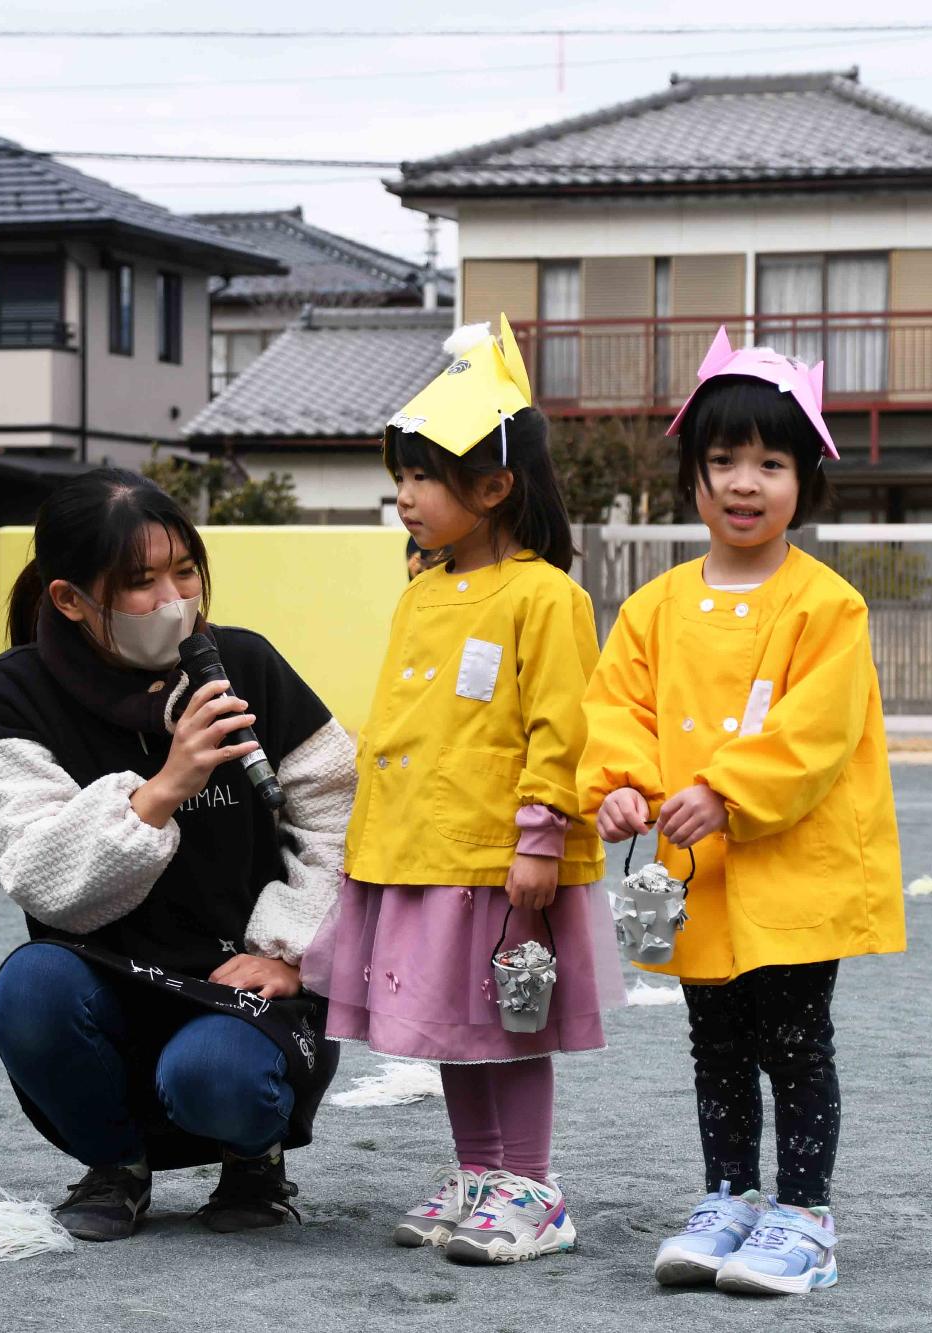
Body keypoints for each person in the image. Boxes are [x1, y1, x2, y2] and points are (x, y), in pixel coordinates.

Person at [577, 329, 905, 1297]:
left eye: (769, 460)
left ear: (805, 477)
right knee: (713, 1036)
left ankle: (803, 1214)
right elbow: (616, 707)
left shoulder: (826, 606)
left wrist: (723, 790)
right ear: (691, 475)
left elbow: (813, 734)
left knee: (794, 1037)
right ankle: (727, 1196)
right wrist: (624, 784)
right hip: (696, 872)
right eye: (721, 460)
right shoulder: (653, 606)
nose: (743, 481)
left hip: (792, 864)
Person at [301, 317, 618, 1266]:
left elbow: (561, 727)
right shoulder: (422, 591)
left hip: (496, 855)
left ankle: (532, 1186)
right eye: (400, 477)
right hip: (419, 850)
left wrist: (539, 836)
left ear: (493, 486)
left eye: (424, 477)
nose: (405, 497)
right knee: (453, 1023)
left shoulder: (545, 596)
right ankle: (481, 1173)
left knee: (511, 1023)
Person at [0, 468, 354, 1242]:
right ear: (71, 599)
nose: (175, 599)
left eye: (185, 571)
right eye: (140, 582)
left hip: (236, 979)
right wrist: (166, 785)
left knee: (215, 1074)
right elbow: (38, 873)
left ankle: (254, 1160)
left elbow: (339, 813)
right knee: (27, 990)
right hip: (105, 976)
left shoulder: (247, 666)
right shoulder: (18, 692)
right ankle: (115, 1165)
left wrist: (294, 949)